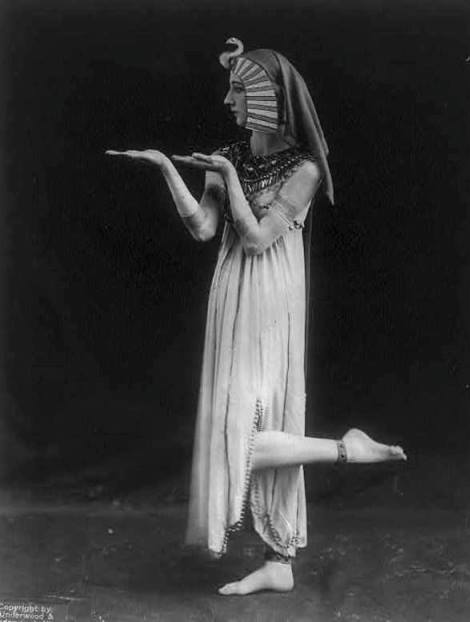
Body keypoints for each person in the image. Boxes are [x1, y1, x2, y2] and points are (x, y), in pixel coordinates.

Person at [106, 38, 406, 596]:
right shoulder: (231, 154)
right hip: (231, 292)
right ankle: (282, 558)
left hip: (270, 296)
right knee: (240, 426)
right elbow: (204, 228)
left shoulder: (305, 169)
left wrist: (227, 173)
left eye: (239, 90)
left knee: (243, 431)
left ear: (269, 98)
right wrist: (167, 169)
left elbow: (257, 238)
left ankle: (342, 457)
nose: (228, 101)